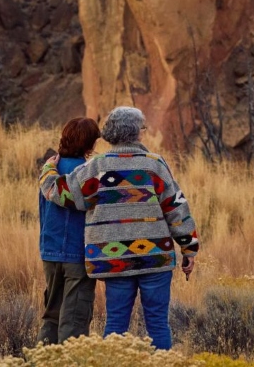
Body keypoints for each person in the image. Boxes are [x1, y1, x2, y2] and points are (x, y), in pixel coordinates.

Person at [39, 106, 199, 350]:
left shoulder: (96, 167)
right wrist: (189, 247)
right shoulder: (154, 165)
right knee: (157, 324)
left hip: (115, 259)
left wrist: (48, 170)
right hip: (154, 259)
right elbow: (176, 207)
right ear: (137, 133)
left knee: (115, 324)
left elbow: (61, 192)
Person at [38, 117, 101, 344]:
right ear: (88, 145)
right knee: (73, 321)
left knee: (51, 316)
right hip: (78, 255)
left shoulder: (48, 172)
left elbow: (43, 215)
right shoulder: (89, 174)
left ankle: (42, 360)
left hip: (50, 252)